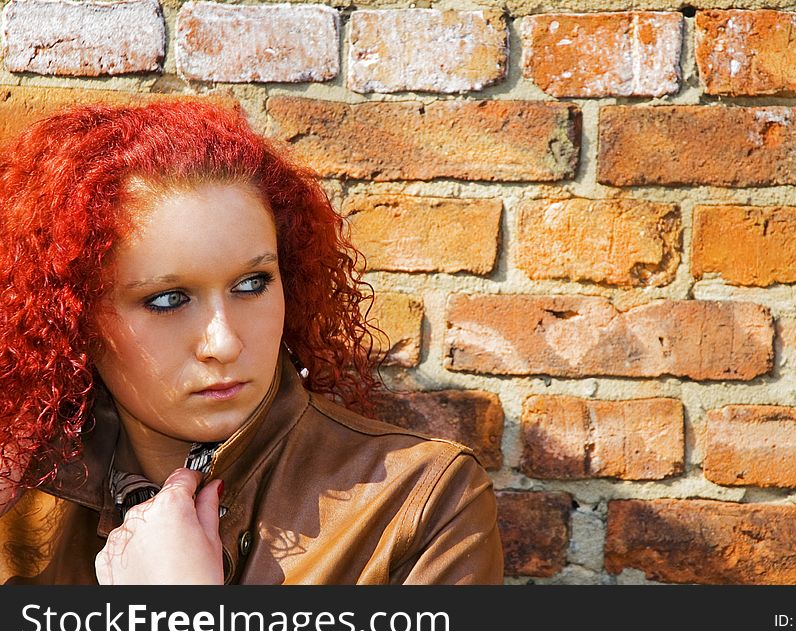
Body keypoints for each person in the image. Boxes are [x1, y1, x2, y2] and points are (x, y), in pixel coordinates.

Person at [0, 99, 504, 584]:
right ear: (72, 314)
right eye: (168, 299)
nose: (223, 344)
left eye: (251, 284)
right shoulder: (24, 497)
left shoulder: (418, 503)